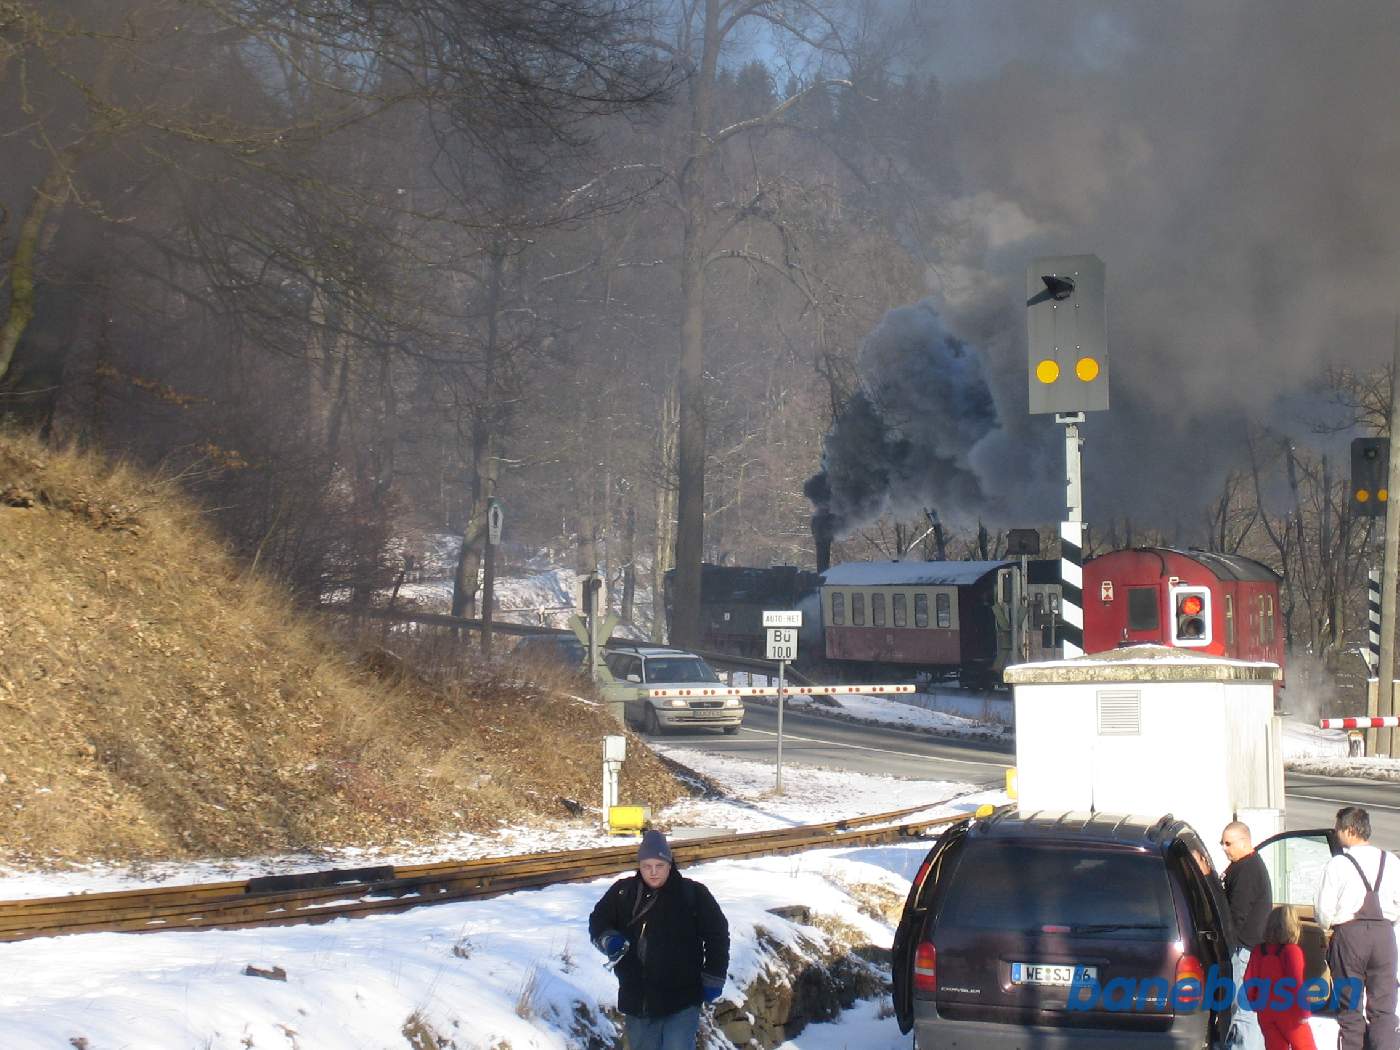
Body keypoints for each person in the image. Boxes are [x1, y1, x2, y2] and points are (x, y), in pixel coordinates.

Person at [589, 829, 730, 1050]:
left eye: (659, 866)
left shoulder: (693, 894)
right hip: (638, 1000)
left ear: (670, 864)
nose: (653, 872)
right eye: (647, 866)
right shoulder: (623, 893)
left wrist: (714, 976)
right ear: (640, 866)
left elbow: (717, 936)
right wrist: (609, 939)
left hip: (682, 999)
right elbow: (598, 922)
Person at [1315, 806, 1400, 1050]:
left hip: (1350, 937)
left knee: (1350, 1006)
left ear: (1349, 831)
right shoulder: (1391, 860)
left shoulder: (1338, 864)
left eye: (1337, 828)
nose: (1335, 832)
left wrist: (1326, 927)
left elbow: (1323, 912)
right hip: (1384, 936)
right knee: (1384, 1008)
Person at [1222, 821, 1273, 1050]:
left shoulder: (1247, 870)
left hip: (1245, 950)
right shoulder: (1244, 866)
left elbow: (1236, 915)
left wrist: (1224, 943)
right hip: (1248, 949)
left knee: (1243, 1010)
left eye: (1228, 843)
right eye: (1222, 843)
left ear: (1244, 842)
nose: (1224, 848)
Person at [1243, 905, 1317, 1050]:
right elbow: (1296, 984)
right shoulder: (1291, 951)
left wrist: (1255, 1003)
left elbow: (1249, 981)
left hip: (1265, 1011)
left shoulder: (1259, 950)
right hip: (1289, 1012)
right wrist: (1304, 1011)